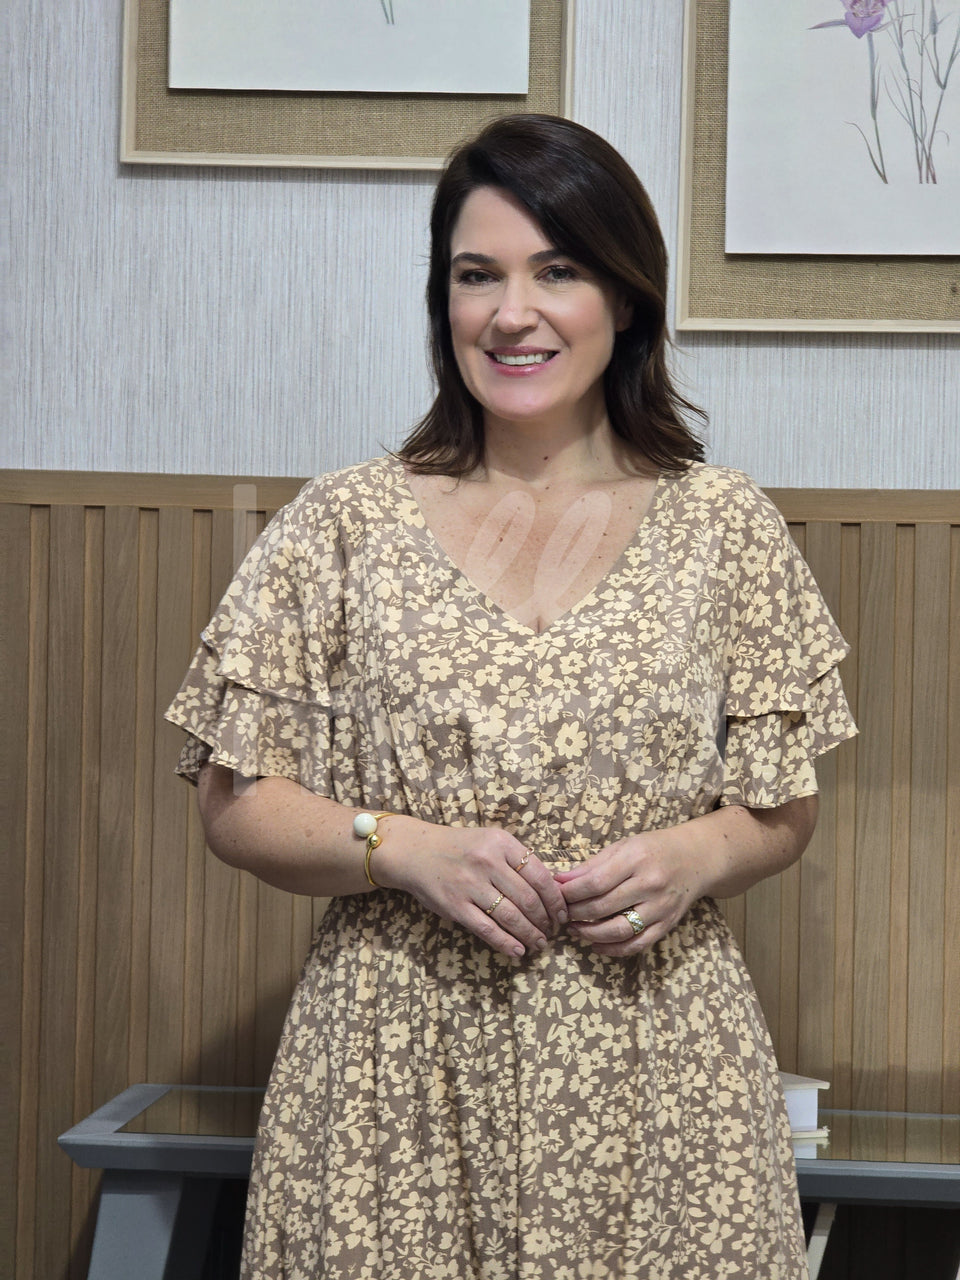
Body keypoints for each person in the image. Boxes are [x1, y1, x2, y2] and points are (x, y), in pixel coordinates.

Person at [167, 113, 856, 1279]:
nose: (511, 312)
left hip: (659, 1069)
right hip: (393, 1072)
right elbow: (235, 803)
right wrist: (401, 847)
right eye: (476, 274)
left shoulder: (725, 525)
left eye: (558, 270)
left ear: (626, 298)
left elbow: (784, 806)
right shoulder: (343, 522)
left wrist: (695, 853)